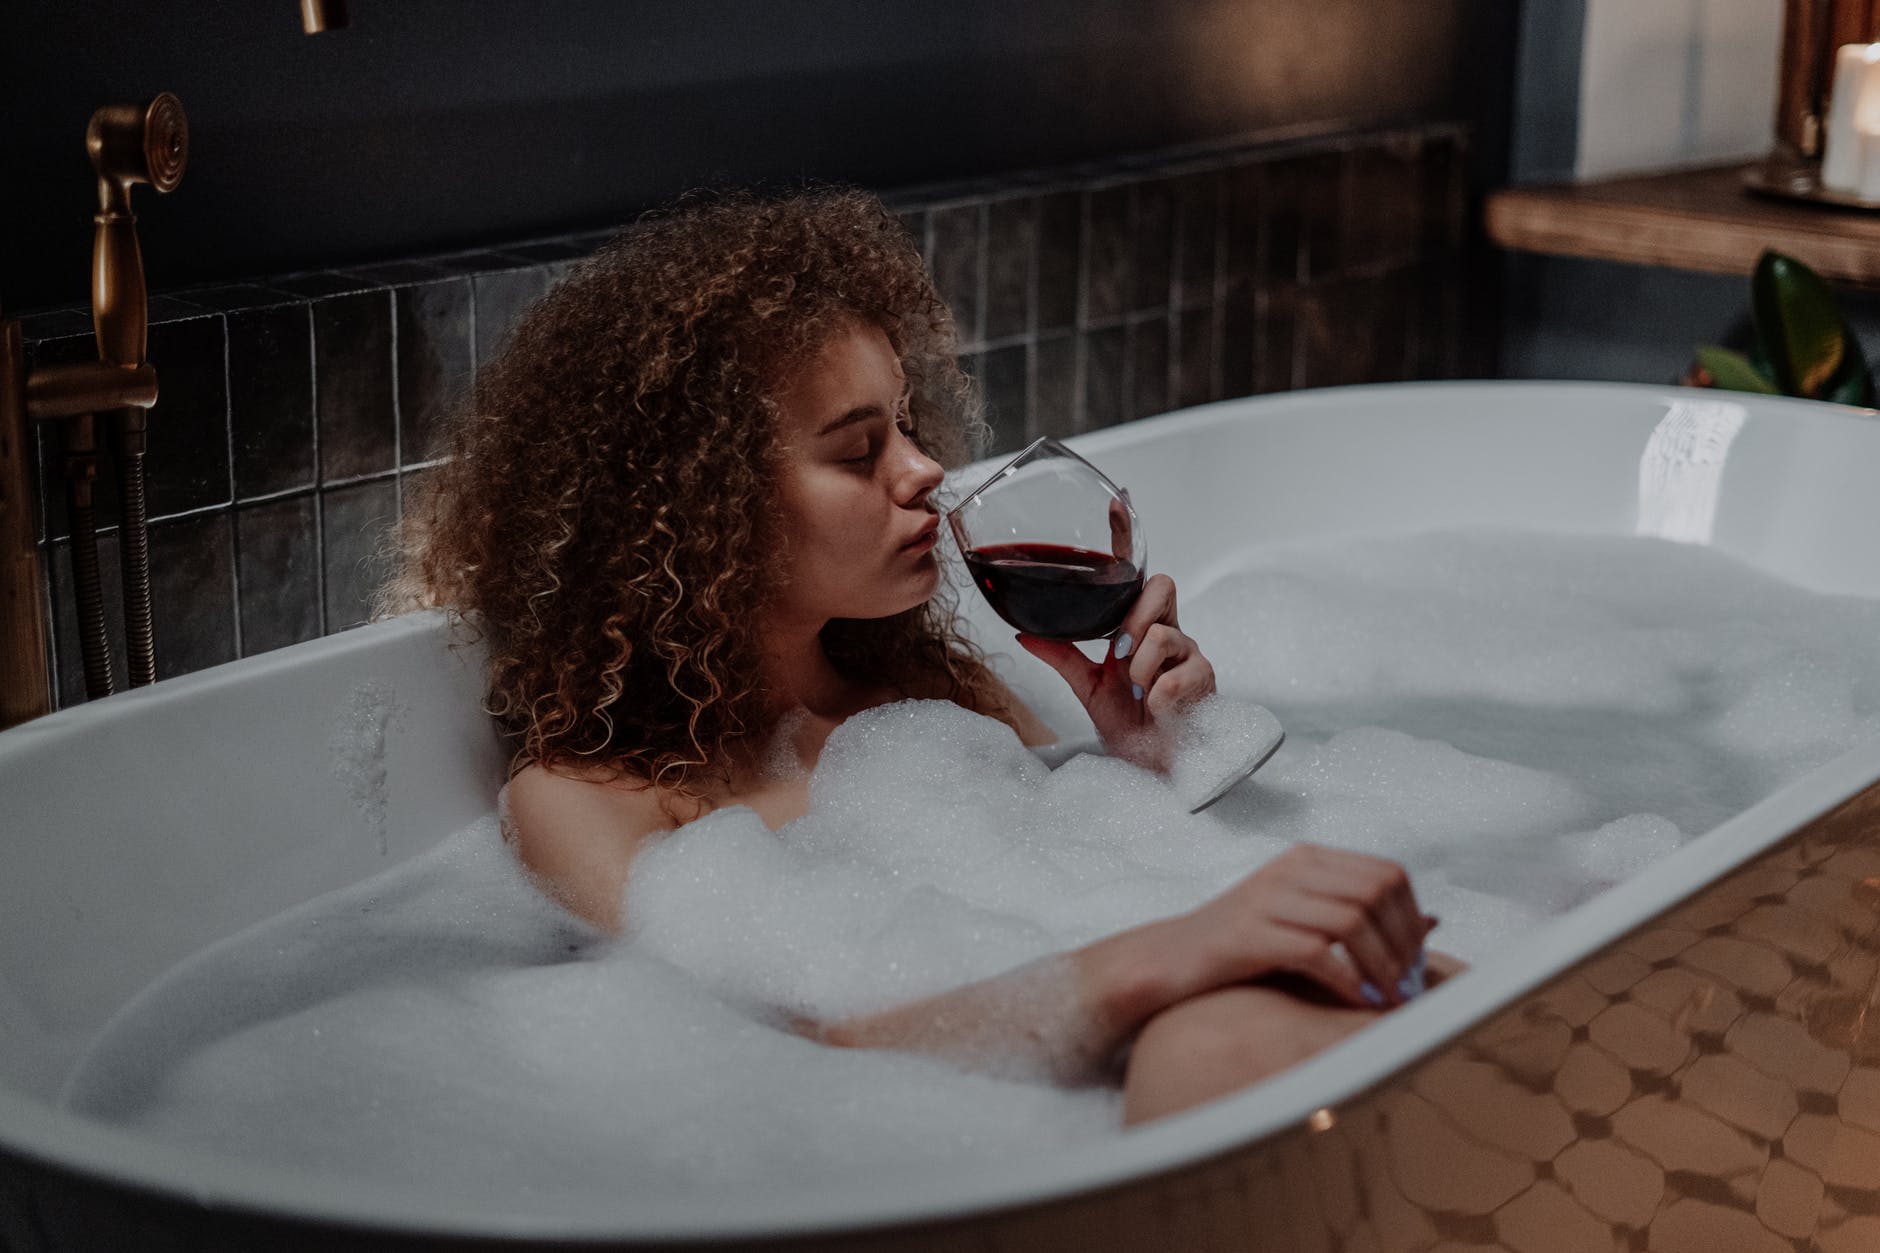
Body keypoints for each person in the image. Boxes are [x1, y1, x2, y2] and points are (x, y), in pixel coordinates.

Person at [390, 188, 1447, 1124]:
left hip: (1109, 1068)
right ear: (700, 506)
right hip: (937, 1117)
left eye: (904, 424)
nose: (926, 468)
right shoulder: (589, 799)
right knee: (1215, 1041)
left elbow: (1097, 878)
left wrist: (1144, 757)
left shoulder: (935, 700)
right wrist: (1166, 955)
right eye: (859, 449)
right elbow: (765, 1054)